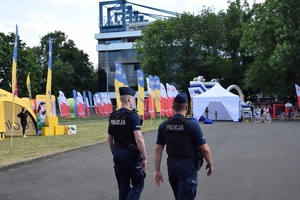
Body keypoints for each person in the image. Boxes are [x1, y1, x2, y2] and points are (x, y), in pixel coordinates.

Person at [153, 92, 213, 200]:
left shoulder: (164, 125)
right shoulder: (192, 125)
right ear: (186, 107)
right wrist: (210, 163)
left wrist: (157, 171)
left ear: (172, 107)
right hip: (187, 166)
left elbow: (158, 149)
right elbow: (204, 149)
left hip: (172, 165)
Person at [108, 87, 148, 200]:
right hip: (130, 154)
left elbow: (109, 138)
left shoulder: (113, 115)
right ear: (130, 99)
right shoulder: (132, 115)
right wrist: (144, 158)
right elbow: (139, 138)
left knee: (123, 186)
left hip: (117, 153)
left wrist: (113, 152)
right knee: (138, 183)